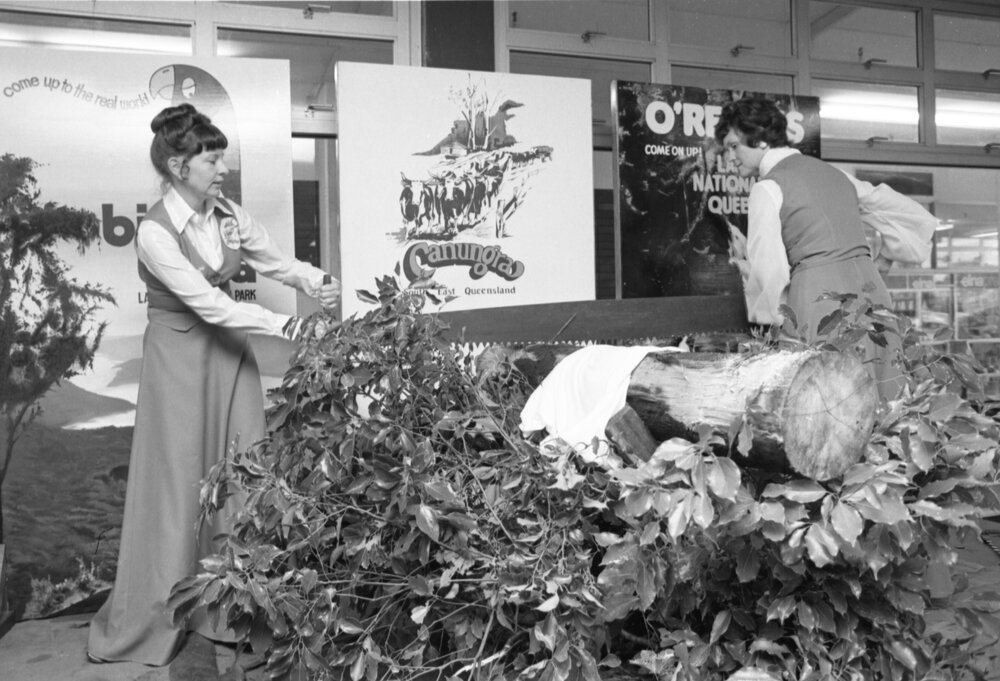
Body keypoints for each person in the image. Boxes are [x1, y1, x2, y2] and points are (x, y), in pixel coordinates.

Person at [88, 103, 341, 675]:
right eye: (211, 156)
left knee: (243, 474)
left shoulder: (226, 213)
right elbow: (211, 305)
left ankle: (232, 610)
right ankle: (161, 613)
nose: (222, 166)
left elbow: (274, 261)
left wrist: (316, 281)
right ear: (179, 165)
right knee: (179, 485)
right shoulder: (156, 231)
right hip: (179, 360)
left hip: (229, 358)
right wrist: (291, 326)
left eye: (221, 154)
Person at [714, 96, 937, 400]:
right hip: (872, 295)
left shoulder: (767, 189)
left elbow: (770, 271)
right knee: (886, 396)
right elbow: (909, 216)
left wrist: (773, 329)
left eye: (733, 146)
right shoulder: (835, 174)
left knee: (829, 406)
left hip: (817, 300)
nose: (729, 157)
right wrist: (882, 260)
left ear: (762, 140)